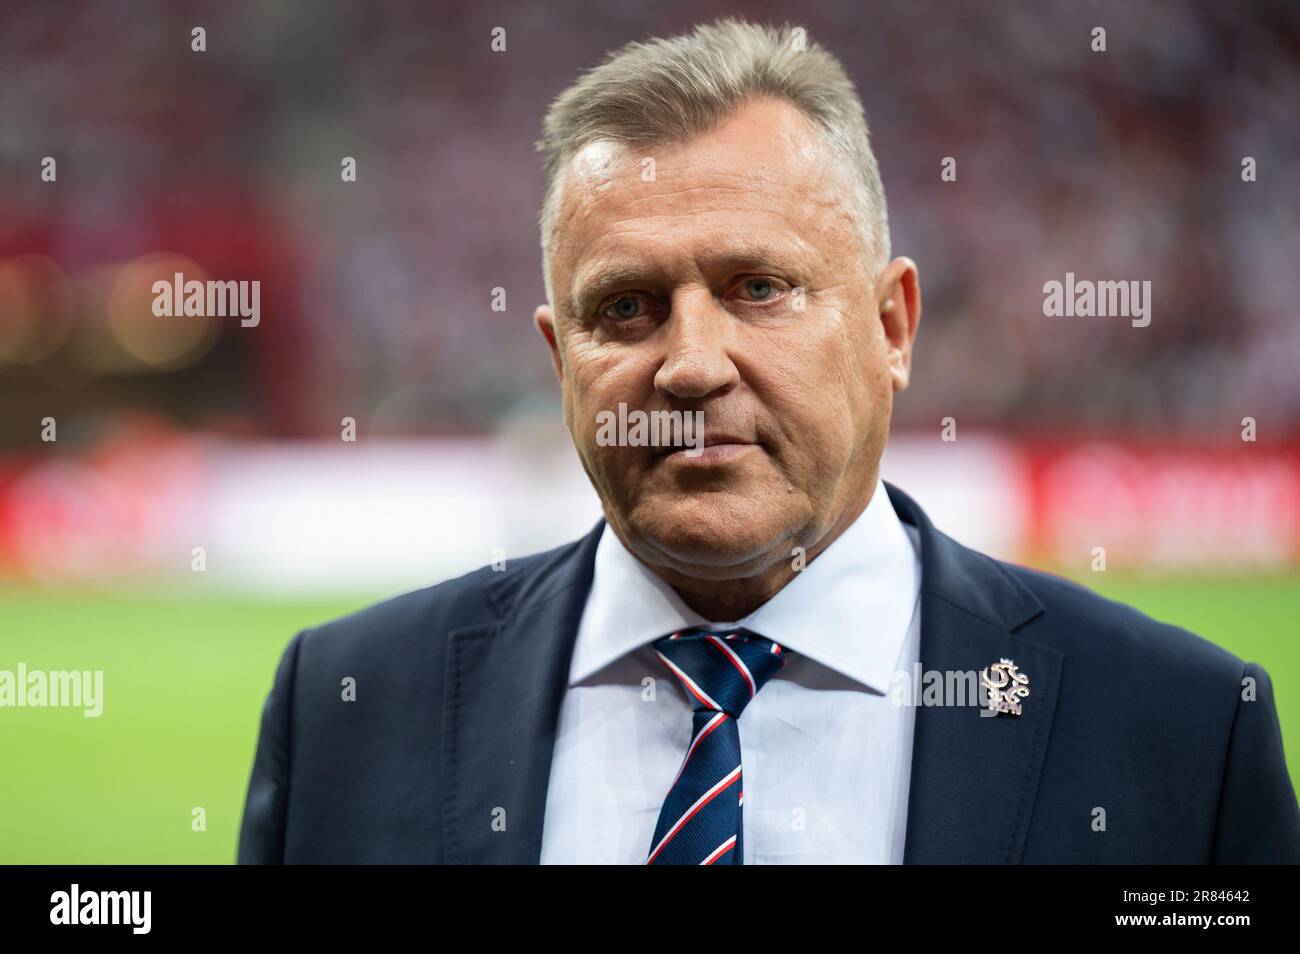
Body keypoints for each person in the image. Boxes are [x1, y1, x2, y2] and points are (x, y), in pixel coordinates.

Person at [237, 18, 1300, 864]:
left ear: (892, 326)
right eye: (624, 308)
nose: (691, 364)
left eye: (759, 289)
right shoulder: (349, 711)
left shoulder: (1179, 733)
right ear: (558, 362)